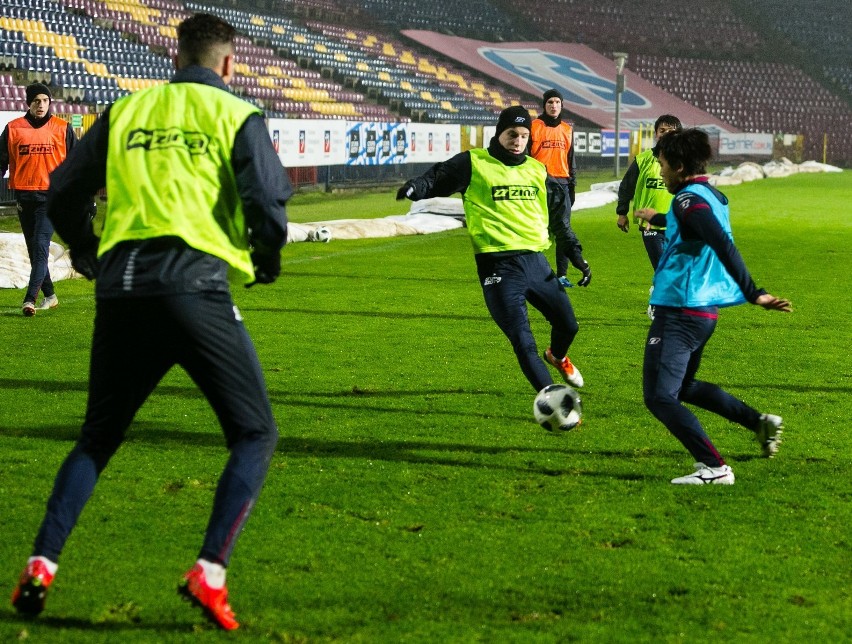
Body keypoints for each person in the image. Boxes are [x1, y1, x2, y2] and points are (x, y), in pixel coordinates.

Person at [10, 13, 291, 630]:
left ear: (175, 57)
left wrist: (85, 249)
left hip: (121, 290)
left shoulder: (126, 111)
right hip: (193, 288)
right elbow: (268, 198)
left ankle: (40, 564)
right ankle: (209, 570)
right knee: (254, 434)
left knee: (97, 438)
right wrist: (266, 259)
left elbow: (62, 191)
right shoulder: (236, 114)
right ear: (227, 64)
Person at [634, 128, 791, 486]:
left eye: (661, 165)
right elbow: (691, 226)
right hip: (701, 311)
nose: (659, 173)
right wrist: (656, 217)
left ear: (678, 165)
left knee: (660, 397)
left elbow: (718, 240)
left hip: (681, 311)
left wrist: (755, 293)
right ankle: (758, 422)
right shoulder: (710, 195)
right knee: (684, 387)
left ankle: (715, 467)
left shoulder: (689, 201)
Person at [397, 105, 591, 393]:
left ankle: (557, 356)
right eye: (512, 134)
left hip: (536, 263)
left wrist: (575, 254)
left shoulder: (538, 171)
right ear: (500, 133)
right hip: (498, 267)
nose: (518, 140)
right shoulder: (474, 162)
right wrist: (417, 187)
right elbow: (438, 177)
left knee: (569, 326)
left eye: (524, 135)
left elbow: (559, 220)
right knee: (523, 341)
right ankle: (553, 401)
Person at [0, 82, 77, 316]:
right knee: (34, 252)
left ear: (50, 103)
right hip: (24, 198)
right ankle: (51, 296)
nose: (41, 104)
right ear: (29, 103)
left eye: (45, 100)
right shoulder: (13, 129)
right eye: (36, 101)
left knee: (41, 249)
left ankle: (29, 299)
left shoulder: (62, 128)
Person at [616, 114, 682, 319]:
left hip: (676, 225)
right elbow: (626, 186)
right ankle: (657, 305)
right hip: (650, 225)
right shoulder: (643, 160)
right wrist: (622, 213)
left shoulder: (683, 162)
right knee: (662, 267)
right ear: (656, 134)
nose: (666, 134)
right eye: (662, 131)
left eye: (671, 131)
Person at [529, 88, 578, 288]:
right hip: (539, 184)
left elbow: (570, 158)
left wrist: (573, 183)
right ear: (544, 105)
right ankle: (532, 271)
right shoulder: (534, 126)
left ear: (562, 105)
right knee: (535, 228)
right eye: (550, 102)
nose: (554, 105)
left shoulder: (567, 129)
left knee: (563, 230)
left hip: (562, 183)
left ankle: (562, 275)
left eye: (557, 102)